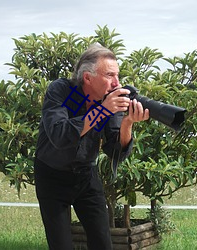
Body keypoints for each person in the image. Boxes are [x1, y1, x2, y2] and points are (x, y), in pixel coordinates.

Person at [34, 44, 149, 250]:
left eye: (118, 75)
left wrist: (127, 123)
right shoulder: (60, 90)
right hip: (52, 176)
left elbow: (115, 151)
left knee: (103, 243)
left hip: (86, 175)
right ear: (87, 78)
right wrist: (102, 111)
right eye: (110, 75)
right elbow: (60, 135)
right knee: (60, 245)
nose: (117, 83)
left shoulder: (110, 100)